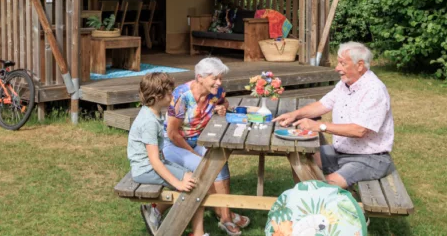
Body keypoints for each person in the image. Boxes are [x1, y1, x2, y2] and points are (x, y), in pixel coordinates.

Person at [275, 42, 394, 188]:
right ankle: (308, 200)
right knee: (300, 156)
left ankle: (318, 200)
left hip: (369, 159)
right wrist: (295, 114)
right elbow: (323, 104)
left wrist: (320, 126)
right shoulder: (346, 84)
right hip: (341, 152)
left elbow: (359, 130)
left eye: (342, 64)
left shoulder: (374, 91)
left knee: (328, 185)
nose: (337, 68)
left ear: (360, 65)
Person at [164, 57, 250, 236]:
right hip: (176, 144)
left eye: (220, 78)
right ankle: (223, 213)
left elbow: (223, 103)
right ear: (199, 77)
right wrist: (192, 153)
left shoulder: (217, 91)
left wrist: (222, 108)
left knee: (219, 162)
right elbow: (172, 133)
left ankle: (225, 216)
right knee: (205, 167)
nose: (219, 83)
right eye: (215, 78)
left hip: (201, 139)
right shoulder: (182, 96)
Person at [128, 72, 205, 236]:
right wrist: (177, 183)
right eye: (169, 92)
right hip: (145, 169)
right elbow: (154, 161)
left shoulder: (154, 113)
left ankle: (154, 211)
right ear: (156, 96)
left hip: (151, 165)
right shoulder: (149, 121)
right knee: (193, 185)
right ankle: (196, 233)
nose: (172, 95)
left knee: (192, 178)